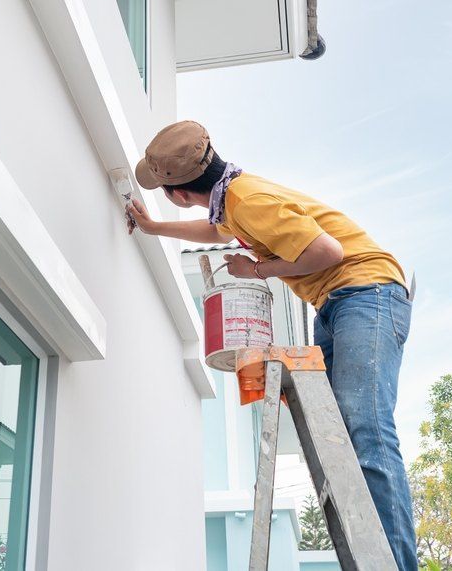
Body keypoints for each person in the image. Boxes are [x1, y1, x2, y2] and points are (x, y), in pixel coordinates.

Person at [127, 120, 417, 570]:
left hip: (366, 292)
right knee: (342, 437)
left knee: (366, 427)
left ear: (179, 192)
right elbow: (217, 233)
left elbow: (328, 253)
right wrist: (155, 229)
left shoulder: (249, 201)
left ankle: (395, 564)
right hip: (341, 300)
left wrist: (256, 271)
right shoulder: (233, 199)